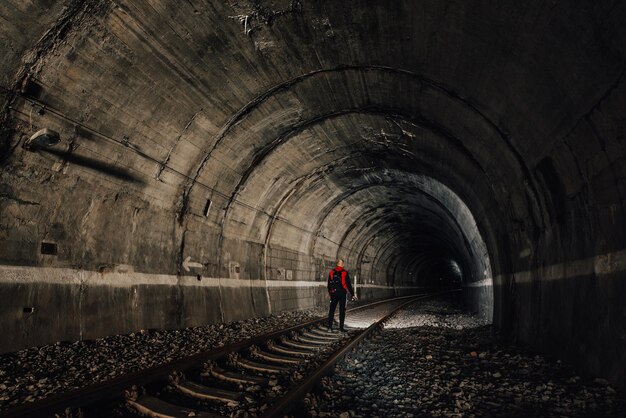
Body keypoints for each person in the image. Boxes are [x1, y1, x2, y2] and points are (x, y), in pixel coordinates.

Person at [327, 258, 357, 332]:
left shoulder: (331, 272)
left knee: (331, 311)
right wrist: (353, 294)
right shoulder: (345, 272)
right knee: (342, 311)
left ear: (337, 264)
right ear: (342, 264)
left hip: (334, 293)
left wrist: (330, 293)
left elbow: (329, 285)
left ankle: (330, 328)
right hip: (342, 294)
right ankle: (341, 329)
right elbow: (348, 285)